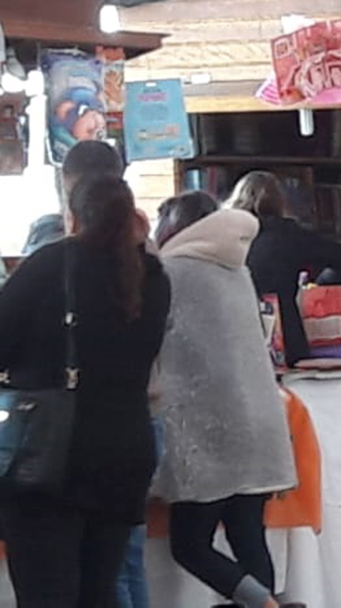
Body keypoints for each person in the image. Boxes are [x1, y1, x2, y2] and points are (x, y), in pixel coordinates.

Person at [0, 175, 170, 607]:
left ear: (71, 217)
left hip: (52, 456)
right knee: (100, 590)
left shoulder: (49, 265)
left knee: (47, 594)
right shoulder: (153, 277)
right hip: (125, 453)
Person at [152, 192, 297, 608]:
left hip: (210, 428)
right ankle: (265, 600)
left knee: (189, 544)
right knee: (248, 536)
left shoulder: (170, 272)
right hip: (260, 421)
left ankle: (266, 605)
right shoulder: (235, 268)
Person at [229, 171, 341, 366]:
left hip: (232, 330)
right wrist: (321, 284)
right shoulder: (288, 234)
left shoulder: (223, 235)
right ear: (280, 201)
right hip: (283, 332)